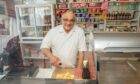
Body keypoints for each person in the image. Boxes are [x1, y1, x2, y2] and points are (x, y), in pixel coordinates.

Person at [40, 11, 87, 79]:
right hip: (57, 68)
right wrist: (51, 57)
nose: (68, 23)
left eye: (71, 20)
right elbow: (44, 47)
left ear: (74, 21)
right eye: (65, 20)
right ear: (61, 20)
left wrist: (80, 67)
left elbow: (81, 51)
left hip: (72, 68)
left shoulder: (79, 31)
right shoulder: (53, 31)